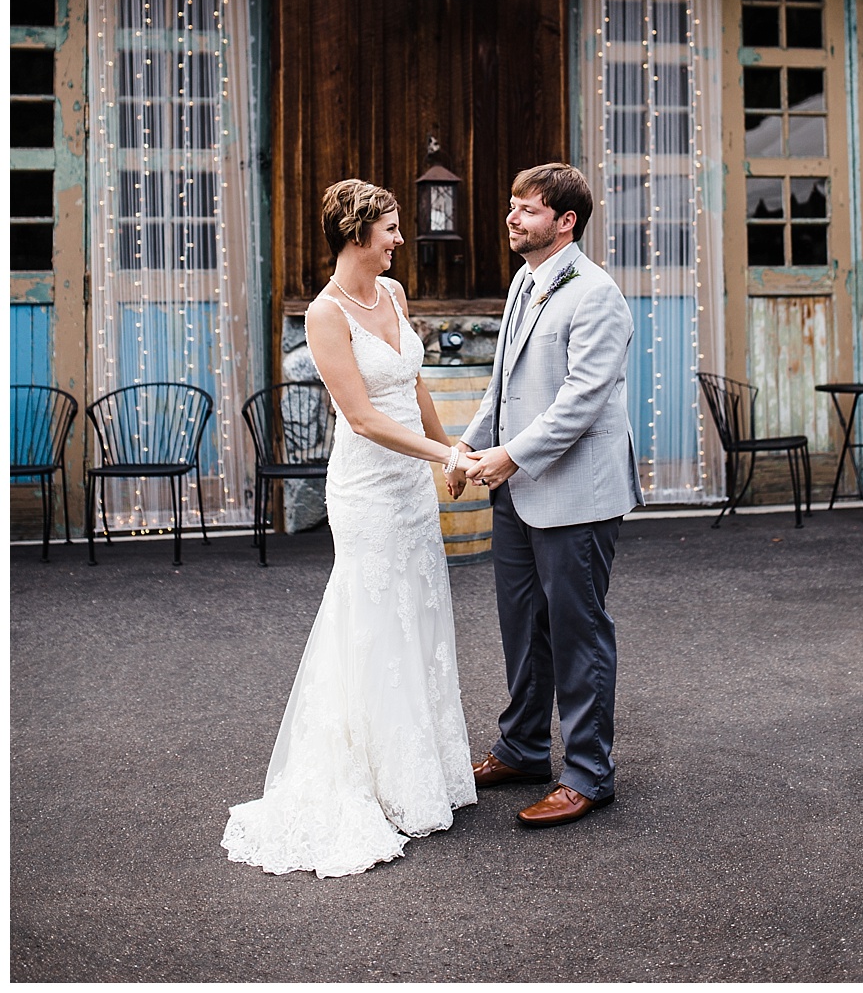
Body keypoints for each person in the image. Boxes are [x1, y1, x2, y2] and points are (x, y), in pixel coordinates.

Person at [221, 179, 476, 878]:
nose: (400, 239)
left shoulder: (392, 297)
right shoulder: (327, 315)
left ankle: (423, 770)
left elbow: (414, 383)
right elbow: (362, 417)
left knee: (418, 612)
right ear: (359, 233)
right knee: (371, 617)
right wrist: (444, 455)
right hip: (366, 487)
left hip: (411, 486)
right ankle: (364, 776)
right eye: (391, 228)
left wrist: (444, 448)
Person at [460, 162, 643, 827]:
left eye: (528, 209)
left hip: (575, 495)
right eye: (512, 204)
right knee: (522, 628)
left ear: (565, 222)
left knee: (578, 633)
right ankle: (523, 748)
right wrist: (469, 446)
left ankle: (590, 774)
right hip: (516, 491)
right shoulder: (522, 282)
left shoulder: (597, 294)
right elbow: (501, 385)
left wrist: (509, 456)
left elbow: (581, 401)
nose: (512, 216)